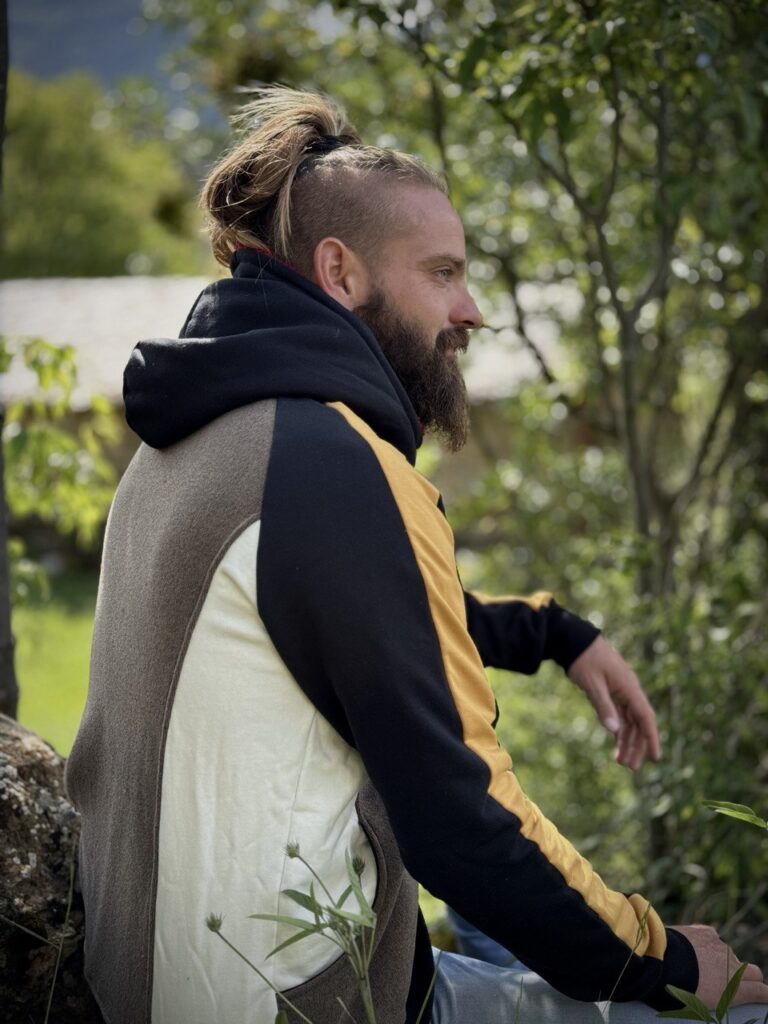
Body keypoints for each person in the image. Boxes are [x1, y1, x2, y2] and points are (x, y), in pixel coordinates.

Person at [65, 87, 768, 1024]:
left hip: (144, 984)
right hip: (307, 1007)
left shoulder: (199, 437)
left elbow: (376, 620)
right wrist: (665, 960)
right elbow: (461, 823)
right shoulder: (332, 464)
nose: (470, 310)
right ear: (341, 272)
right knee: (734, 1011)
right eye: (442, 273)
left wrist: (554, 633)